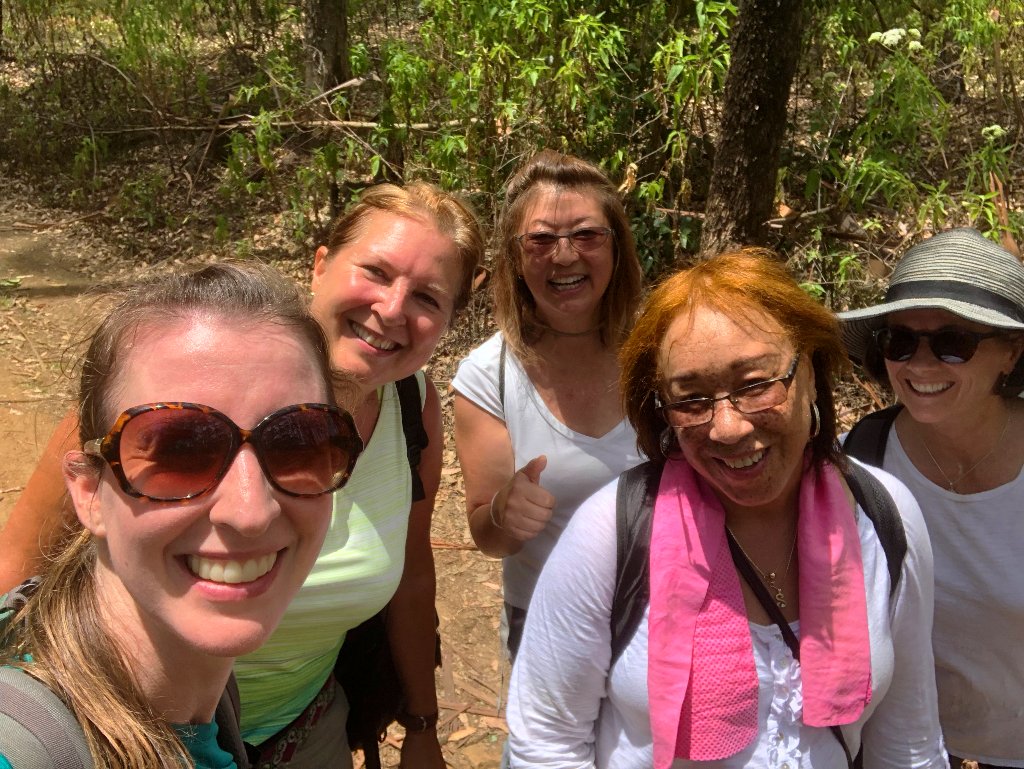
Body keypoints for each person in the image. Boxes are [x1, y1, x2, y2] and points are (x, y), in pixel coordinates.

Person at [0, 181, 484, 768]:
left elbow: (411, 568)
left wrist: (421, 722)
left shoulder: (411, 407)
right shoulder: (152, 403)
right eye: (376, 272)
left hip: (300, 726)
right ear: (320, 265)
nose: (392, 308)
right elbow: (16, 564)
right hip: (118, 725)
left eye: (428, 297)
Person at [507, 250, 948, 768]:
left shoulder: (883, 517)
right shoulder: (613, 533)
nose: (727, 428)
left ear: (809, 368)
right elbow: (546, 739)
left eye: (756, 384)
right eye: (691, 399)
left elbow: (909, 742)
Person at [0, 262, 363, 768]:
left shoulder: (204, 693)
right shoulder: (21, 749)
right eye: (180, 450)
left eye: (297, 444)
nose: (251, 511)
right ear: (88, 492)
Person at [839, 228, 1024, 769]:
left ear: (1010, 353)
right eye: (901, 341)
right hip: (908, 750)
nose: (920, 365)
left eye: (953, 342)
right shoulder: (859, 463)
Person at [452, 150, 644, 659]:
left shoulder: (661, 353)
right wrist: (502, 512)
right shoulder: (486, 374)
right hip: (547, 624)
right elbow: (487, 536)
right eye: (540, 239)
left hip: (666, 615)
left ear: (616, 247)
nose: (564, 257)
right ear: (515, 258)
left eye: (586, 235)